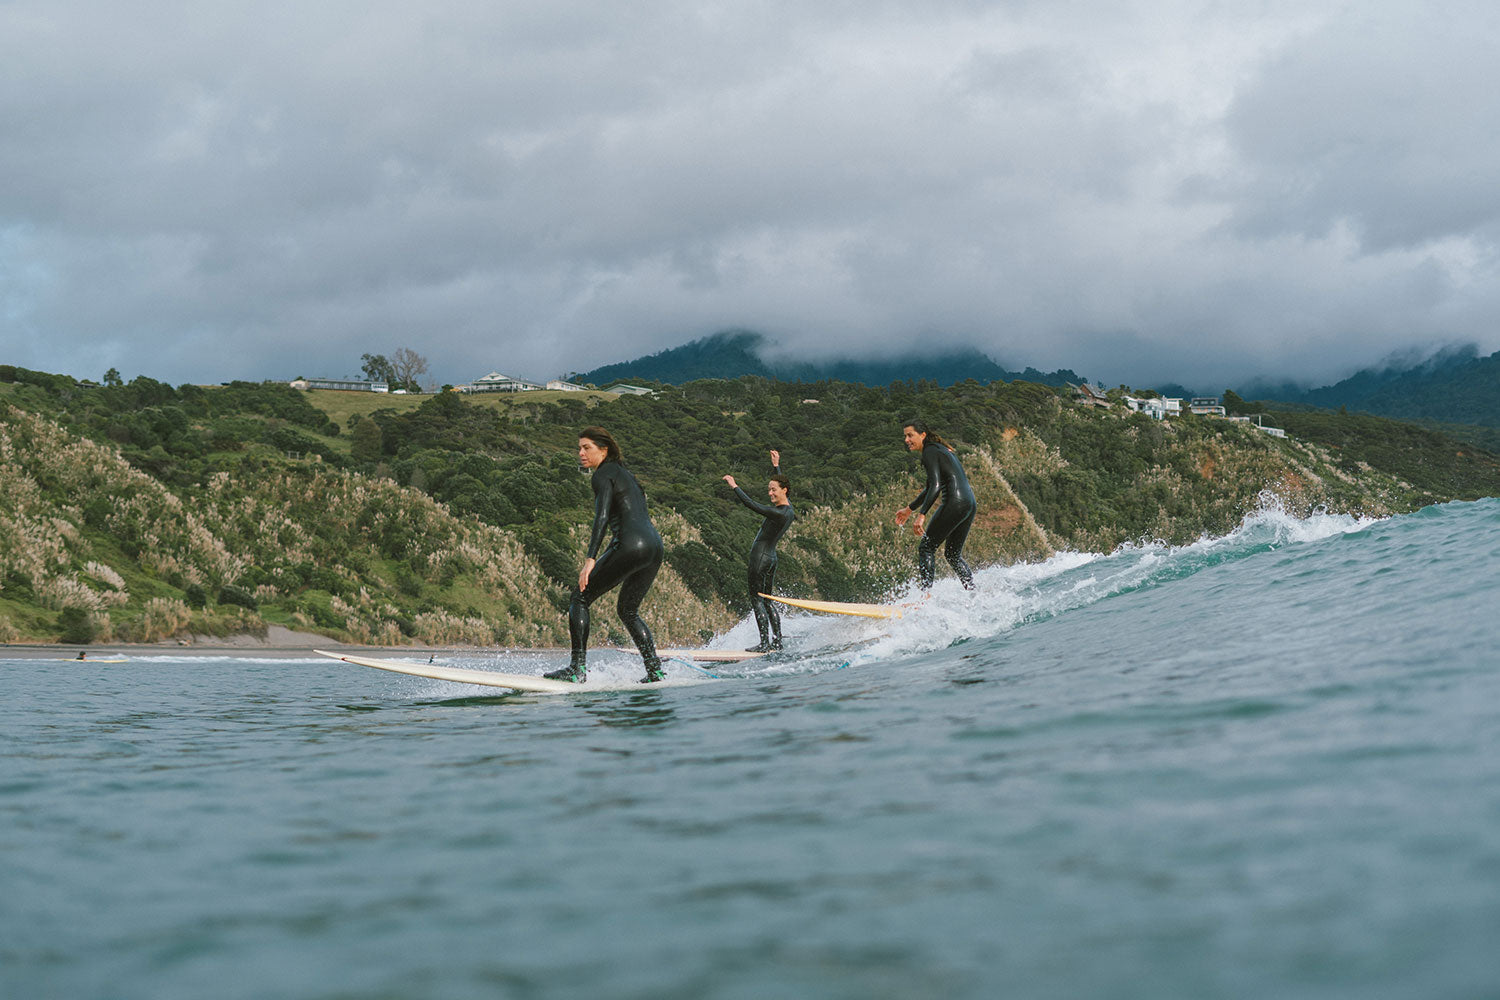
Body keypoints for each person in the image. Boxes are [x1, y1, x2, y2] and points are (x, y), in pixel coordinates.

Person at [545, 426, 666, 684]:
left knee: (580, 597)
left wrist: (590, 559)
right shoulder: (626, 475)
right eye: (579, 448)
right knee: (628, 610)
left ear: (604, 449)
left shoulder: (602, 475)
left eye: (586, 447)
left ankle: (576, 669)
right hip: (655, 547)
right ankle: (654, 670)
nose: (581, 453)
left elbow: (601, 517)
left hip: (630, 544)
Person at [722, 449, 795, 651]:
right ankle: (777, 641)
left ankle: (764, 643)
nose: (770, 493)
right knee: (768, 600)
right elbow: (782, 482)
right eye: (769, 489)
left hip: (760, 558)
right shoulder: (789, 509)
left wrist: (734, 485)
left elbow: (751, 504)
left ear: (784, 490)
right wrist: (776, 466)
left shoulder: (778, 513)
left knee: (757, 600)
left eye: (774, 490)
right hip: (771, 558)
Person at [894, 420, 977, 591]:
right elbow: (930, 487)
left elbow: (935, 486)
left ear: (922, 434)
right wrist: (909, 509)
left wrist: (922, 515)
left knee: (926, 548)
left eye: (910, 435)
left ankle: (925, 598)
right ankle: (973, 592)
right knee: (952, 555)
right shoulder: (938, 449)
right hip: (968, 503)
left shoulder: (929, 452)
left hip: (955, 503)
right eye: (905, 436)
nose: (907, 440)